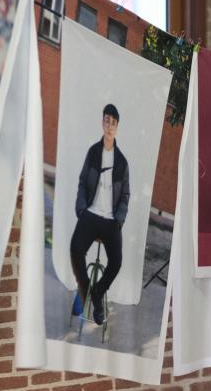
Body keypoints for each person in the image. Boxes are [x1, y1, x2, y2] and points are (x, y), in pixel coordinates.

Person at [69, 104, 130, 325]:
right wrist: (81, 209)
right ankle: (85, 290)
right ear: (102, 122)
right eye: (107, 120)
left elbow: (125, 195)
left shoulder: (122, 162)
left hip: (111, 221)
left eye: (113, 122)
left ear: (117, 126)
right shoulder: (93, 152)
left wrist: (119, 220)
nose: (109, 125)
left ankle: (97, 293)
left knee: (116, 261)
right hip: (91, 215)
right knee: (75, 249)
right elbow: (83, 182)